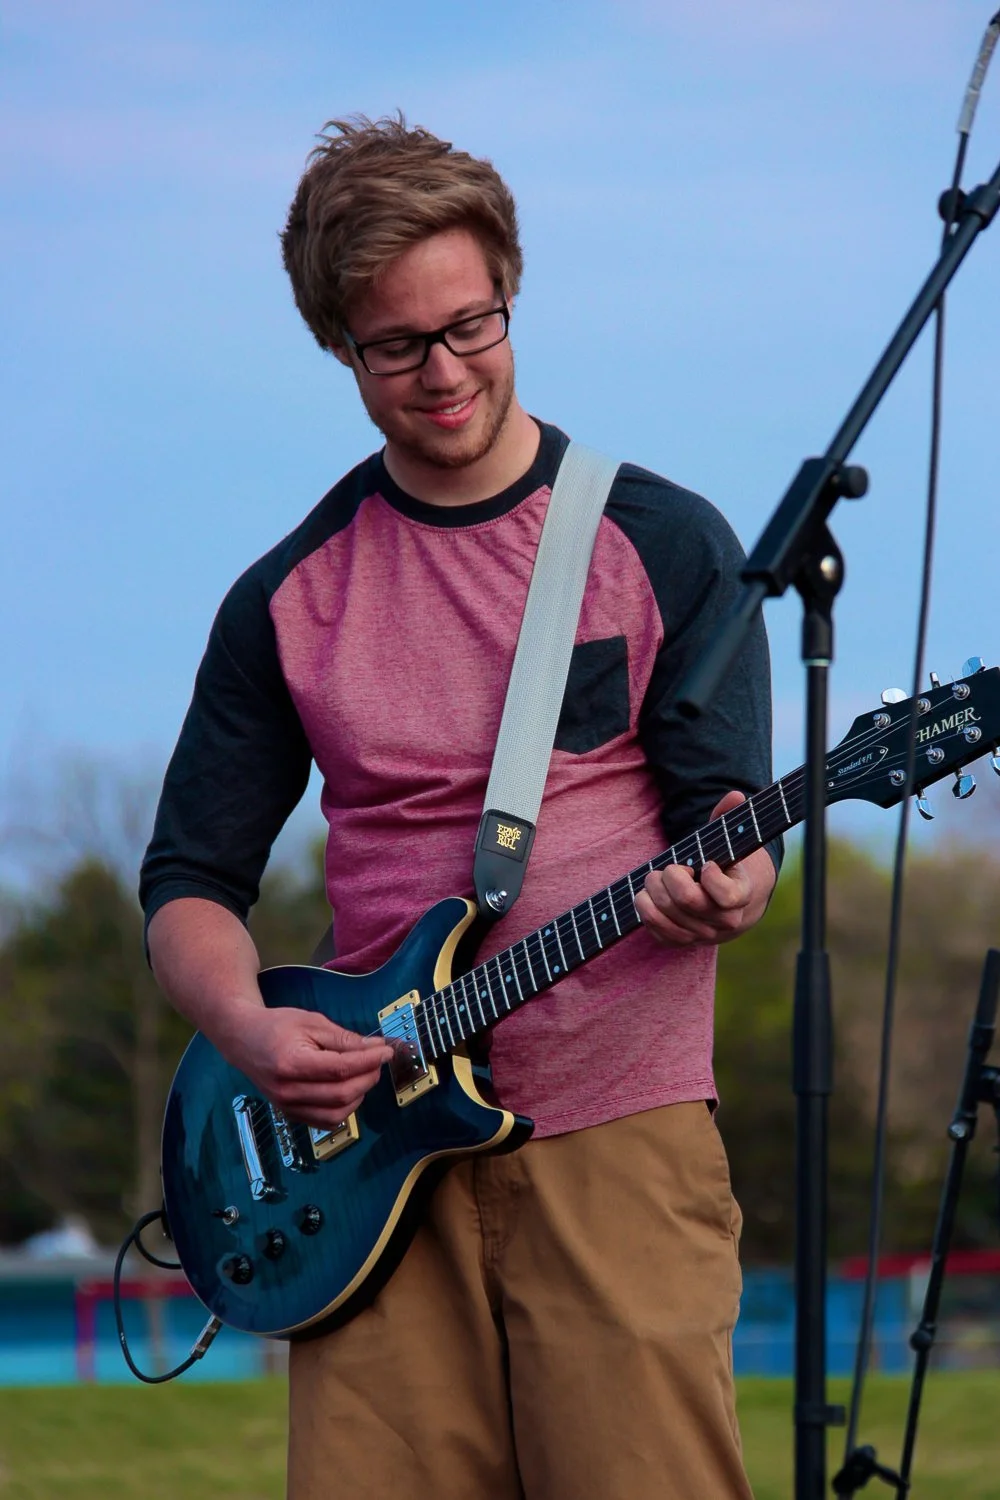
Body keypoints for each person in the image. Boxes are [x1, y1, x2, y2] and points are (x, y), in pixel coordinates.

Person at [140, 115, 780, 1500]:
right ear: (339, 347)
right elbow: (188, 881)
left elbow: (729, 815)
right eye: (397, 346)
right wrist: (248, 1029)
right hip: (362, 1175)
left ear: (510, 292)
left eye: (471, 326)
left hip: (619, 1137)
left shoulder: (664, 541)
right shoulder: (287, 595)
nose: (444, 372)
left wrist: (736, 881)